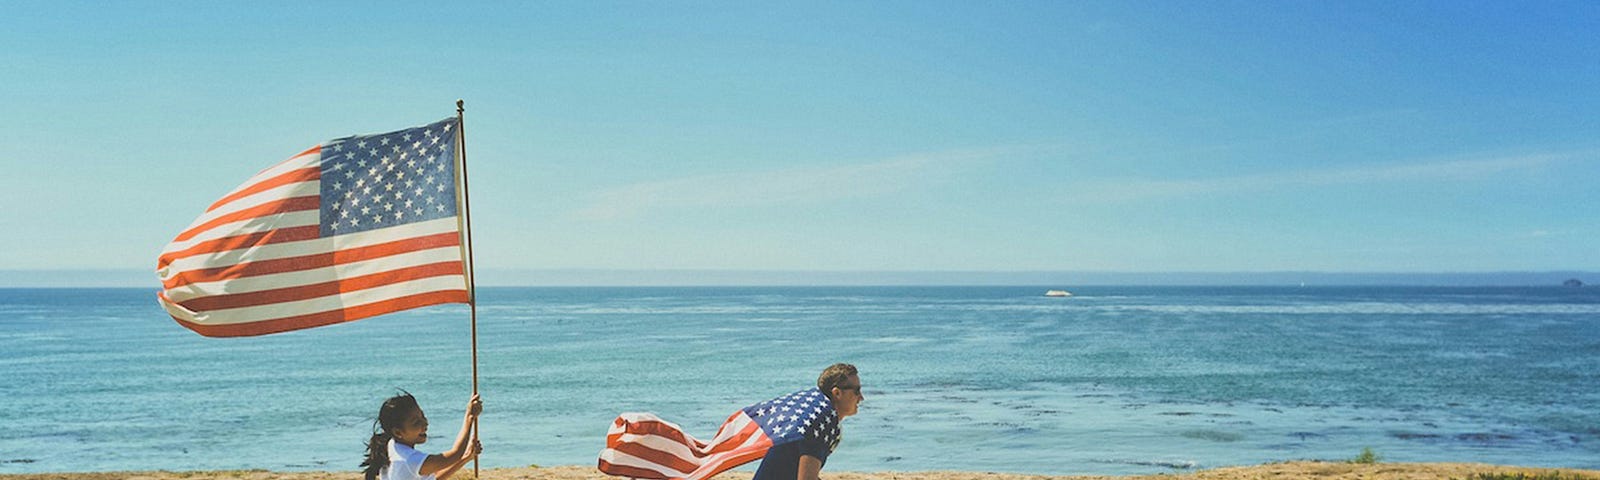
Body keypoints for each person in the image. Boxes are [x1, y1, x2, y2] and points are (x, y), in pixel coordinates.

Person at [750, 363, 864, 480]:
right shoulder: (821, 421)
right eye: (857, 391)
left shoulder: (817, 413)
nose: (861, 397)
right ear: (837, 393)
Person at [361, 391, 484, 480]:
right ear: (398, 432)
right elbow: (455, 454)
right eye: (416, 422)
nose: (425, 423)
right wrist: (469, 417)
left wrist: (466, 457)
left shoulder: (393, 446)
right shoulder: (409, 459)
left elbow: (434, 477)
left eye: (423, 416)